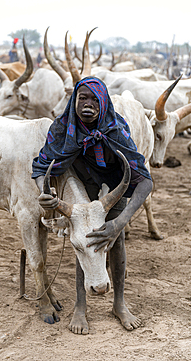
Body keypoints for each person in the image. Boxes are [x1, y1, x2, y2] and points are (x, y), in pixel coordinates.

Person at [32, 76, 153, 334]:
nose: (87, 104)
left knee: (114, 238)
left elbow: (145, 182)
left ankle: (119, 303)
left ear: (103, 103)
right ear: (74, 100)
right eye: (82, 97)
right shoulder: (62, 127)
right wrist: (43, 192)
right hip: (82, 179)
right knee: (85, 236)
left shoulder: (116, 130)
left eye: (94, 99)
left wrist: (120, 222)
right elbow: (41, 166)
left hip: (116, 183)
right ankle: (80, 306)